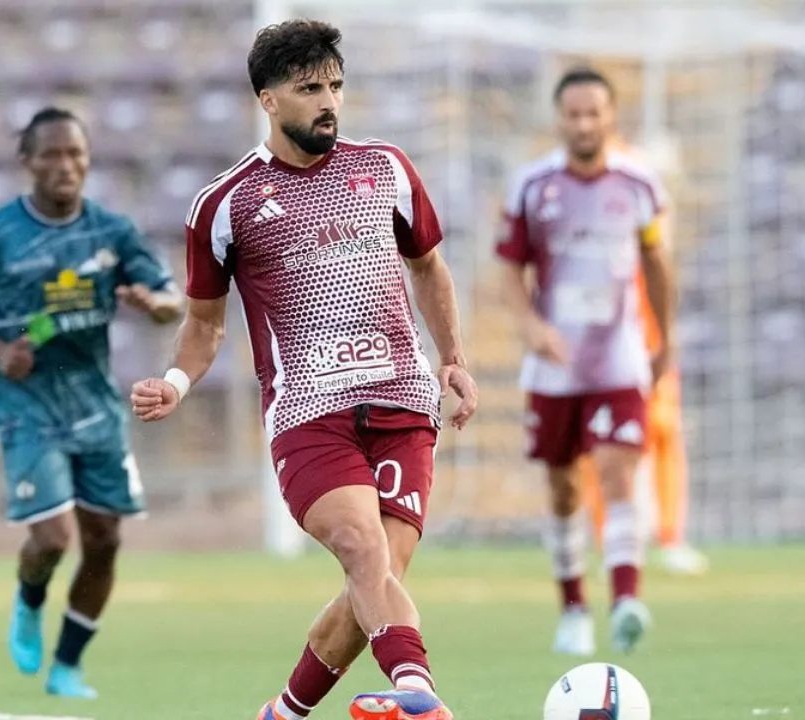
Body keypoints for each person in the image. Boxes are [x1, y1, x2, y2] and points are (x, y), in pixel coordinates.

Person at [129, 19, 477, 720]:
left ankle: (284, 714)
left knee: (377, 576)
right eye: (310, 88)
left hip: (404, 401)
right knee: (360, 546)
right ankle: (418, 692)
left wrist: (453, 360)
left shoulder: (386, 168)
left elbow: (428, 268)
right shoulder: (225, 204)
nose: (329, 102)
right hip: (310, 414)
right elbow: (204, 324)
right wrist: (175, 382)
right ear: (268, 99)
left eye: (336, 86)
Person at [0, 107, 182, 699]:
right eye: (51, 154)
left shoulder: (112, 232)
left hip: (95, 406)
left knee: (105, 540)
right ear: (28, 162)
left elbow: (172, 298)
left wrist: (158, 306)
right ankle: (29, 601)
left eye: (76, 153)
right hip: (27, 406)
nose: (66, 165)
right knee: (51, 540)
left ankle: (67, 666)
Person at [494, 67, 677, 657]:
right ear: (559, 120)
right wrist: (530, 327)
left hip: (618, 357)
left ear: (611, 116)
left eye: (593, 113)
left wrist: (665, 338)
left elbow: (657, 263)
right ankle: (573, 607)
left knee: (620, 474)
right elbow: (509, 269)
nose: (583, 124)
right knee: (563, 487)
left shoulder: (639, 184)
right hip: (556, 365)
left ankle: (626, 601)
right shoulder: (532, 186)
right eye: (573, 114)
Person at [581, 260, 709, 576]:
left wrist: (665, 343)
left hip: (651, 351)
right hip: (605, 354)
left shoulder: (645, 248)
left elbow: (659, 274)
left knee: (664, 434)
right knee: (605, 446)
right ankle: (611, 542)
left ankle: (670, 537)